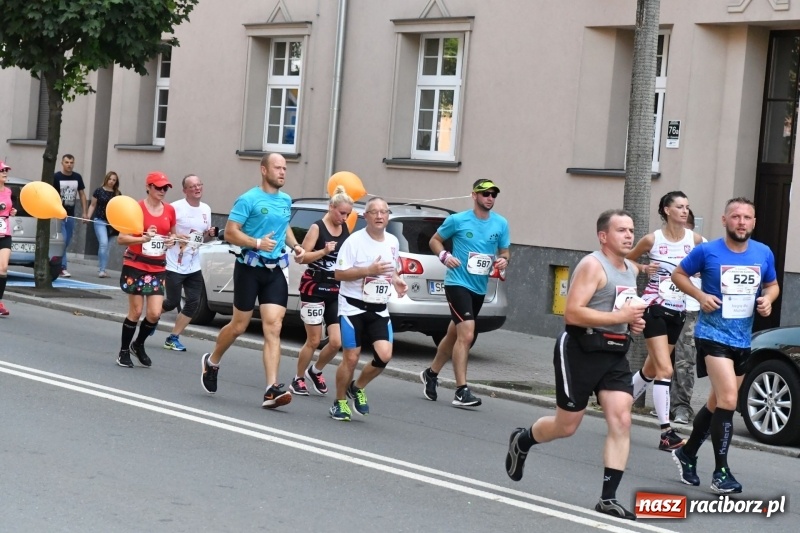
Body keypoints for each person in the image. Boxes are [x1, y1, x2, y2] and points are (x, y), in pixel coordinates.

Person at [505, 209, 646, 520]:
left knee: (622, 420)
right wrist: (620, 318)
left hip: (613, 352)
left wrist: (632, 323)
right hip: (580, 349)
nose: (628, 235)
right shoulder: (592, 265)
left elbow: (620, 309)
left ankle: (608, 498)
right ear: (603, 236)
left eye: (631, 230)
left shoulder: (631, 270)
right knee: (567, 426)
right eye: (621, 230)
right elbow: (573, 313)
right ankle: (523, 439)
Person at [671, 197, 778, 494]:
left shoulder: (763, 252)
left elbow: (772, 284)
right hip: (712, 335)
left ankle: (687, 453)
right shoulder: (707, 251)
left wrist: (768, 300)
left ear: (754, 222)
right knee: (730, 399)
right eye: (735, 216)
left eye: (747, 217)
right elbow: (678, 274)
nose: (741, 222)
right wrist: (699, 295)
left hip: (743, 339)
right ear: (724, 220)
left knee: (717, 403)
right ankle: (721, 473)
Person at [200, 153, 305, 409]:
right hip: (249, 268)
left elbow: (284, 227)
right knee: (238, 326)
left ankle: (271, 389)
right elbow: (232, 232)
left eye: (285, 168)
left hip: (275, 270)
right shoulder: (248, 199)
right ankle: (212, 361)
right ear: (263, 170)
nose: (282, 172)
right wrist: (257, 242)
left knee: (274, 326)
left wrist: (296, 245)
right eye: (277, 168)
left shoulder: (286, 200)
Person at [420, 179, 510, 408]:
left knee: (454, 335)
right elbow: (435, 241)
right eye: (486, 194)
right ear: (474, 196)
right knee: (467, 334)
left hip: (479, 287)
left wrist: (503, 261)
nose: (490, 198)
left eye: (493, 194)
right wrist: (444, 257)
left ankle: (431, 373)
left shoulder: (501, 223)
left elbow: (505, 253)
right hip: (457, 283)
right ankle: (461, 390)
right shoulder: (458, 220)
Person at [626, 191, 703, 451]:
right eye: (679, 206)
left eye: (687, 206)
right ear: (667, 210)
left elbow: (712, 261)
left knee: (650, 370)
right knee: (665, 370)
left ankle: (617, 404)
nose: (684, 211)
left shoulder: (695, 240)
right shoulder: (652, 239)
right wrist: (643, 269)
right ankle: (666, 433)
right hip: (654, 308)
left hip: (678, 311)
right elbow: (626, 260)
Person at [329, 197, 408, 421]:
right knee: (351, 358)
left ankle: (357, 387)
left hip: (379, 307)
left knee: (384, 355)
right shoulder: (354, 241)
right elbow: (339, 274)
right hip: (352, 307)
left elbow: (389, 270)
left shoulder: (393, 241)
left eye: (384, 212)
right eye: (375, 212)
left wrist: (396, 281)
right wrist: (367, 270)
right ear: (366, 216)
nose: (380, 216)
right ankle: (339, 402)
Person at [290, 186, 353, 396]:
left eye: (348, 214)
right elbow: (302, 258)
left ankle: (315, 371)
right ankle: (297, 378)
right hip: (313, 287)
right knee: (314, 339)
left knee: (336, 342)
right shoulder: (317, 228)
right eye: (341, 213)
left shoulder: (345, 229)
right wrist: (324, 251)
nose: (344, 218)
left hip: (335, 289)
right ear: (331, 207)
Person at [116, 172, 177, 368]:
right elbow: (121, 238)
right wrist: (141, 239)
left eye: (165, 188)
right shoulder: (136, 208)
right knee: (136, 311)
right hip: (136, 264)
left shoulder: (169, 210)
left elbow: (173, 235)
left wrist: (171, 240)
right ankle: (123, 351)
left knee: (154, 313)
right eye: (158, 187)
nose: (162, 191)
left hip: (157, 266)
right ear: (149, 187)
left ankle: (138, 344)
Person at [161, 174, 216, 352]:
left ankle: (173, 337)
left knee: (193, 303)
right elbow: (164, 232)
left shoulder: (206, 209)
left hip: (194, 264)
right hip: (174, 263)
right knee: (171, 302)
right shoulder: (174, 208)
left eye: (199, 184)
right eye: (192, 186)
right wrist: (176, 236)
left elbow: (201, 237)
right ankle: (152, 318)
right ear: (185, 190)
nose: (197, 188)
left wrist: (210, 233)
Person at [669, 208, 704, 425]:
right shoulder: (658, 240)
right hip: (664, 307)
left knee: (684, 360)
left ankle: (682, 408)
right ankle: (667, 405)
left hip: (689, 308)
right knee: (664, 360)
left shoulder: (700, 244)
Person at [52, 154, 87, 277]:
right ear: (62, 163)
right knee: (63, 240)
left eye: (71, 162)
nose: (69, 165)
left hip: (71, 214)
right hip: (58, 214)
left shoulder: (77, 177)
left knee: (67, 241)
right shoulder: (56, 177)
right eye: (66, 162)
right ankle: (62, 267)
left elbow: (82, 194)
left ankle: (55, 261)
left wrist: (84, 212)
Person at [85, 171, 121, 278]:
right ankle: (101, 270)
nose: (111, 182)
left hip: (112, 223)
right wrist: (87, 216)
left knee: (107, 247)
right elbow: (92, 205)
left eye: (114, 180)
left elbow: (120, 209)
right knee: (103, 243)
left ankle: (103, 268)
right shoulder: (99, 191)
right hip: (100, 220)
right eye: (110, 179)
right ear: (106, 179)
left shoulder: (117, 193)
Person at [0, 160, 18, 317]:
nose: (5, 172)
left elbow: (9, 207)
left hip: (5, 233)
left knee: (3, 268)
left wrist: (12, 211)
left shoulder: (9, 191)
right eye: (2, 170)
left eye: (6, 170)